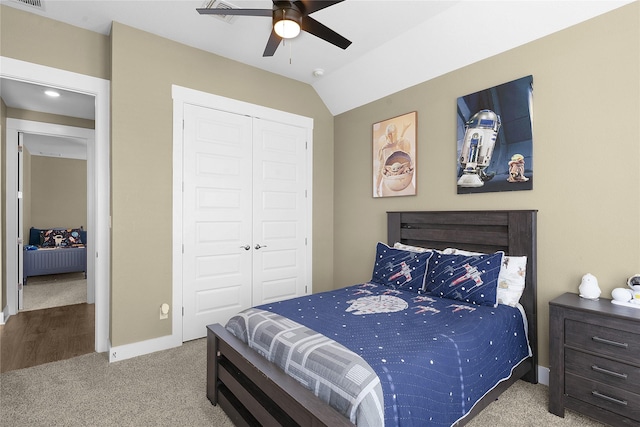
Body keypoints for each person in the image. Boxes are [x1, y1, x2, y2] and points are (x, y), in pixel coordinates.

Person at [374, 122, 412, 196]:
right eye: (390, 135)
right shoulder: (384, 149)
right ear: (387, 136)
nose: (391, 137)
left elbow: (408, 160)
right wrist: (377, 185)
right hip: (390, 183)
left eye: (393, 134)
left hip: (403, 182)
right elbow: (381, 168)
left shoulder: (401, 143)